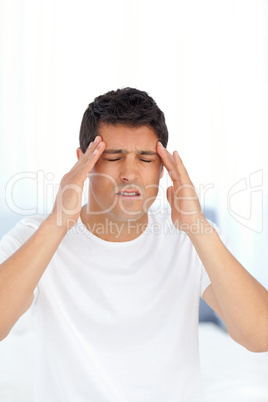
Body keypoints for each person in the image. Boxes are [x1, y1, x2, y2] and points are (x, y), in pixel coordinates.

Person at [0, 87, 267, 402]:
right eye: (113, 157)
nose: (129, 174)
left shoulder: (191, 237)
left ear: (162, 167)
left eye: (146, 158)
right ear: (83, 161)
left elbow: (259, 335)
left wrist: (197, 227)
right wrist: (58, 222)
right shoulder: (37, 234)